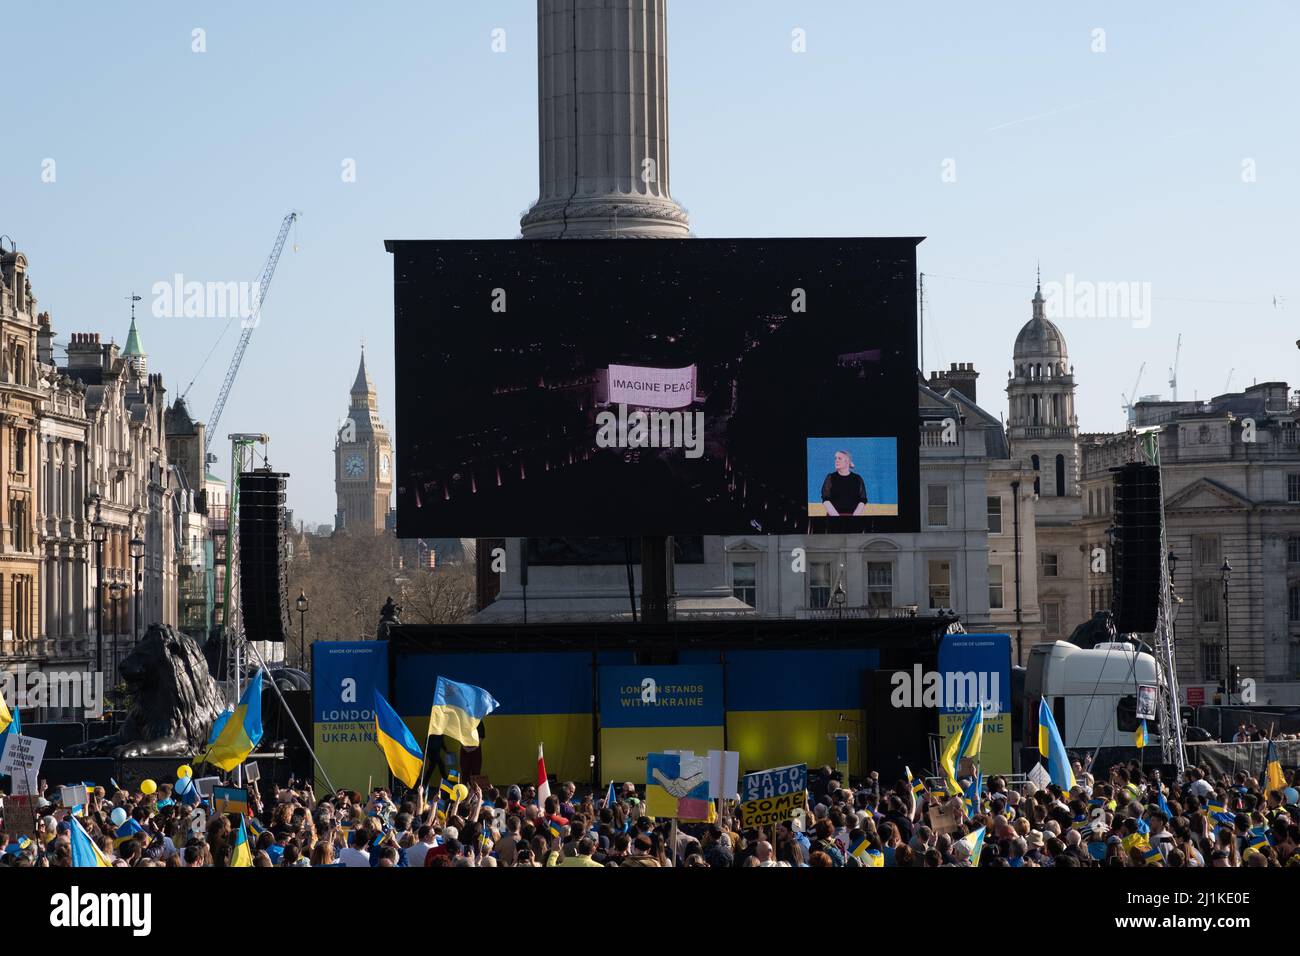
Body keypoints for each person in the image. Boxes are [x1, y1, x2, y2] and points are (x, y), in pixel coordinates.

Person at [819, 450, 868, 517]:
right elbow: (825, 499)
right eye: (835, 458)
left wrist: (854, 518)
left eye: (839, 458)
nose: (836, 460)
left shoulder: (857, 478)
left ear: (847, 461)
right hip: (833, 519)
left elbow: (862, 500)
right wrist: (837, 518)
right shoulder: (830, 477)